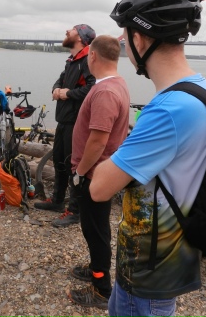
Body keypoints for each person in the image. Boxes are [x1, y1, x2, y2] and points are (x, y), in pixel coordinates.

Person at [89, 0, 206, 316]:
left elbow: (100, 188)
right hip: (164, 265)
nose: (126, 48)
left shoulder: (170, 110)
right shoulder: (202, 90)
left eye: (126, 38)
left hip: (149, 274)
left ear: (140, 39)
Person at [67, 35, 130, 309]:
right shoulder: (117, 83)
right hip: (99, 172)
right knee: (95, 227)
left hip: (94, 175)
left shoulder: (105, 92)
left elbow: (98, 141)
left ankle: (102, 290)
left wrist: (80, 172)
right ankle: (95, 268)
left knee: (96, 232)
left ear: (92, 55)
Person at [34, 24, 96, 227]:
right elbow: (59, 81)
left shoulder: (87, 60)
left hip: (76, 122)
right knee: (59, 161)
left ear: (81, 38)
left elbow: (93, 88)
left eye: (73, 30)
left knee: (73, 165)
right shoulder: (72, 60)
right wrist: (56, 89)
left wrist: (67, 93)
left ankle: (75, 211)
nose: (67, 31)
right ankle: (58, 201)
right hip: (63, 120)